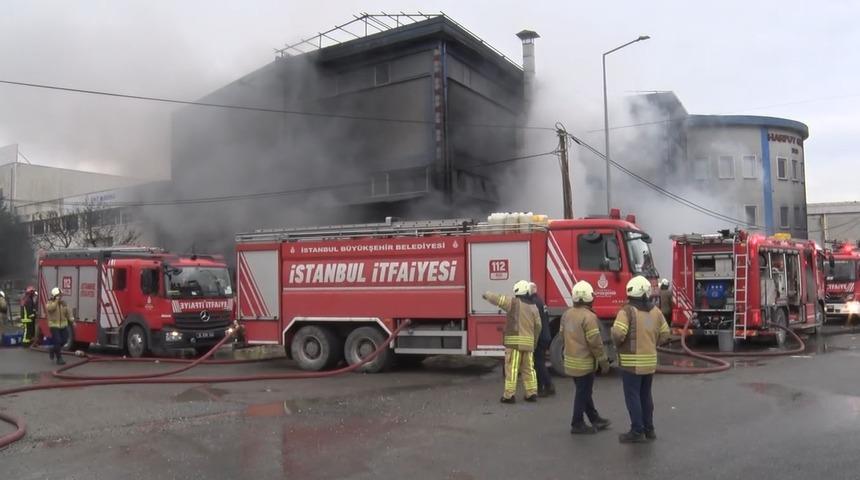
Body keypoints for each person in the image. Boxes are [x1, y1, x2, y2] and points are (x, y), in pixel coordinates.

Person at [611, 275, 671, 443]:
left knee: (633, 397)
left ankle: (637, 431)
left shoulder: (627, 311)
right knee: (646, 396)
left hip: (631, 364)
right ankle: (649, 429)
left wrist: (618, 345)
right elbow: (666, 334)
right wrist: (653, 342)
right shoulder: (656, 311)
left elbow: (617, 333)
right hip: (650, 363)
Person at [561, 280, 611, 434]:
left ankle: (594, 418)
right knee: (583, 393)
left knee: (584, 391)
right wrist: (604, 361)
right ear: (590, 297)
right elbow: (595, 343)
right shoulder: (589, 317)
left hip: (570, 361)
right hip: (584, 363)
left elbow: (562, 335)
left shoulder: (567, 314)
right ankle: (577, 423)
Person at [483, 280, 541, 403]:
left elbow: (498, 299)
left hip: (515, 345)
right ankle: (532, 393)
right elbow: (538, 326)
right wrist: (533, 342)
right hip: (528, 345)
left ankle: (509, 396)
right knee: (529, 369)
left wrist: (486, 294)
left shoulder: (513, 303)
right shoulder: (533, 307)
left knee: (512, 369)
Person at [529, 282, 555, 397]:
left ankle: (549, 386)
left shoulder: (534, 303)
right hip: (546, 335)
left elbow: (534, 322)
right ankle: (541, 388)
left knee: (539, 363)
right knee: (539, 362)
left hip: (539, 337)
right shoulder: (540, 301)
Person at [46, 287, 73, 365]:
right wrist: (56, 301)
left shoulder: (63, 303)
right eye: (59, 295)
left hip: (63, 325)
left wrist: (72, 320)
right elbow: (50, 309)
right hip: (54, 326)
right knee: (57, 341)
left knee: (64, 340)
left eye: (61, 296)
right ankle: (59, 358)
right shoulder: (50, 302)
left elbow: (68, 312)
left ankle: (53, 349)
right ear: (55, 296)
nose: (61, 297)